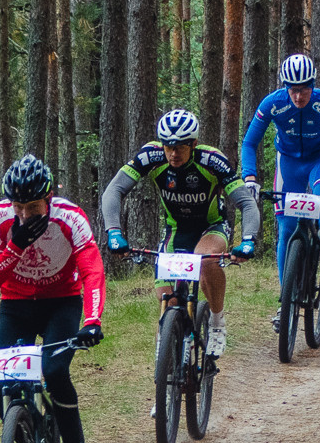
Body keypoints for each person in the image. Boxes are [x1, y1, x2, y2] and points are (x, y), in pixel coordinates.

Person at [0, 154, 107, 443]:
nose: (24, 215)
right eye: (18, 207)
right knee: (1, 381)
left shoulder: (70, 217)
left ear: (49, 198)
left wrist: (92, 320)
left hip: (61, 302)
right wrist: (14, 248)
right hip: (17, 305)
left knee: (55, 371)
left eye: (33, 207)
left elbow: (92, 270)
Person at [101, 108, 261, 359]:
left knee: (204, 260)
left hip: (211, 227)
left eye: (180, 147)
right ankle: (168, 365)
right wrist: (114, 232)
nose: (173, 154)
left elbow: (247, 202)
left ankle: (217, 322)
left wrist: (248, 239)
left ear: (194, 144)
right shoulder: (151, 156)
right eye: (168, 147)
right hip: (176, 231)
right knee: (168, 302)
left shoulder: (212, 161)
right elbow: (114, 190)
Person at [239, 54, 320, 323]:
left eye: (304, 89)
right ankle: (285, 301)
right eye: (293, 90)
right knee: (286, 228)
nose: (298, 96)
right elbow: (249, 143)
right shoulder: (273, 103)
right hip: (288, 163)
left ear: (313, 85)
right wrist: (249, 177)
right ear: (285, 87)